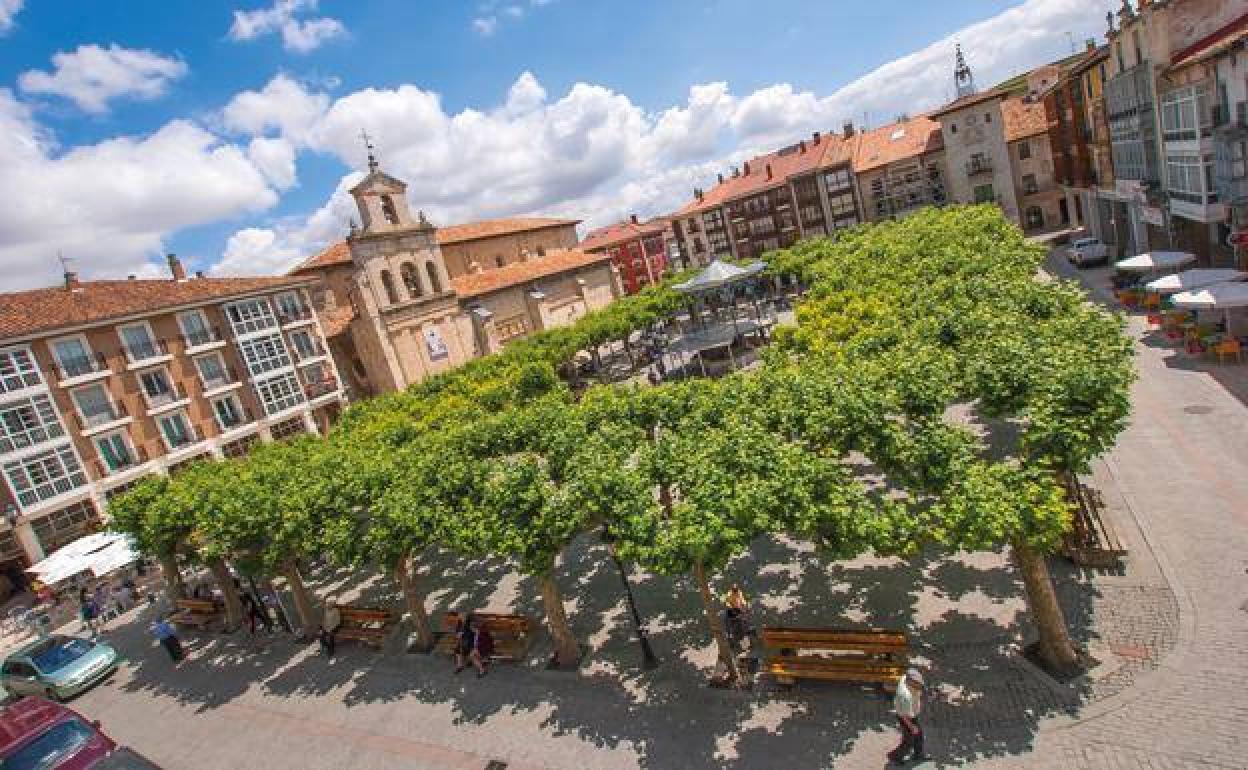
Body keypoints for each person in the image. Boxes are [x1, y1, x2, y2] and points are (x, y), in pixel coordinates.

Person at [888, 668, 928, 765]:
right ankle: (895, 756)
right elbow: (904, 716)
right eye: (917, 684)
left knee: (919, 735)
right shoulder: (905, 696)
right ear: (910, 682)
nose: (920, 686)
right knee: (908, 741)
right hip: (906, 716)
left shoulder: (906, 678)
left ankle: (918, 754)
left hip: (911, 712)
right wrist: (912, 726)